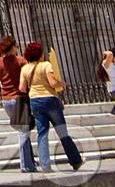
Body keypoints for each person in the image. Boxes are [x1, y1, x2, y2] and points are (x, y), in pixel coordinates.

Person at [17, 42, 83, 173]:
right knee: (62, 131)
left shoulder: (25, 69)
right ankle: (75, 160)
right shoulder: (46, 65)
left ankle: (45, 165)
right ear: (40, 54)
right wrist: (62, 84)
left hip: (34, 101)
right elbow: (53, 82)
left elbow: (22, 88)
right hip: (50, 100)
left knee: (42, 134)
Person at [0, 35, 27, 125]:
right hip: (19, 98)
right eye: (16, 46)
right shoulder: (20, 61)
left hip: (6, 101)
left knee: (21, 127)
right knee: (24, 130)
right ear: (12, 47)